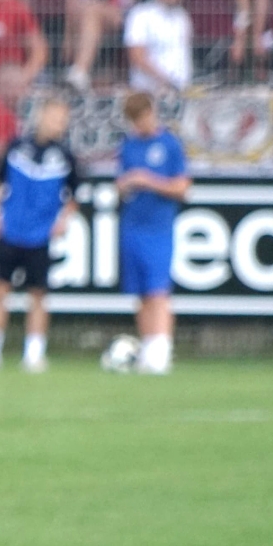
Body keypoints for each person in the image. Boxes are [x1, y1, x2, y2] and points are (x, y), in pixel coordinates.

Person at [0, 95, 78, 372]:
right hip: (9, 231)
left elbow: (74, 196)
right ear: (42, 116)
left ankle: (34, 354)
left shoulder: (65, 156)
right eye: (55, 117)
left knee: (38, 294)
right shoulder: (16, 147)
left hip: (40, 236)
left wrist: (62, 221)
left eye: (63, 119)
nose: (59, 124)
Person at [114, 91, 190, 375]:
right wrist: (124, 185)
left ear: (152, 112)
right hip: (131, 227)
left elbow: (182, 188)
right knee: (141, 294)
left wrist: (148, 181)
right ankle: (148, 351)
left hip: (158, 229)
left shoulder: (169, 145)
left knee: (158, 292)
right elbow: (120, 185)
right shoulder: (128, 145)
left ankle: (162, 352)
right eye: (135, 120)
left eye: (144, 117)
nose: (141, 124)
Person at [124, 0, 193, 95]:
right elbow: (136, 56)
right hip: (148, 91)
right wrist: (165, 80)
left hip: (182, 91)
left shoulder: (182, 16)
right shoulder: (141, 13)